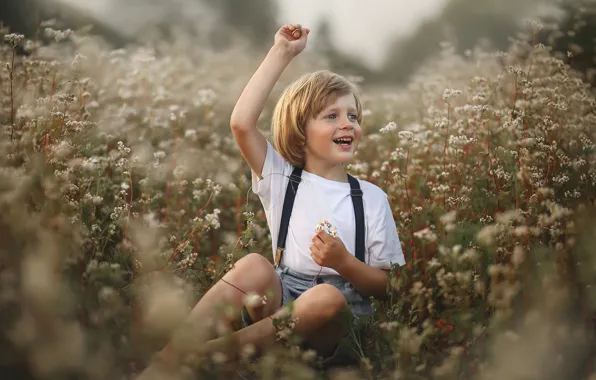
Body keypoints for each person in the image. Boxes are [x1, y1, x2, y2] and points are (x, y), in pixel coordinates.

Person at [138, 23, 405, 377]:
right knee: (253, 264)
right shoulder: (281, 179)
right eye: (332, 116)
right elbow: (241, 124)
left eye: (352, 116)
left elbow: (387, 286)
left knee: (328, 298)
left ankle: (211, 354)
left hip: (334, 324)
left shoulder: (371, 198)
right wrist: (282, 52)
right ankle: (171, 357)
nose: (348, 124)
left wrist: (344, 263)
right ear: (300, 130)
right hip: (280, 303)